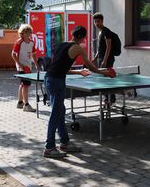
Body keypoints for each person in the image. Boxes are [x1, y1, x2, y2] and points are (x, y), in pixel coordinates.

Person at [44, 26, 110, 158]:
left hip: (50, 79)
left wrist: (78, 71)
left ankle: (65, 143)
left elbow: (59, 68)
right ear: (83, 37)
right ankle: (49, 147)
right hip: (57, 82)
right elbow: (90, 66)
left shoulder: (61, 45)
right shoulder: (78, 48)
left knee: (60, 112)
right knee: (55, 114)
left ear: (73, 34)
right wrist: (104, 72)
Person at [12, 24, 39, 112]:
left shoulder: (32, 42)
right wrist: (20, 64)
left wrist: (36, 64)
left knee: (22, 84)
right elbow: (13, 54)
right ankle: (26, 105)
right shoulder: (19, 42)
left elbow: (34, 54)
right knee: (26, 85)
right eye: (26, 32)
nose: (28, 34)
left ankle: (20, 103)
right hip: (22, 67)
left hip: (28, 66)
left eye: (29, 32)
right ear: (22, 33)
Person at [92, 12, 116, 105]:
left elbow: (108, 47)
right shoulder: (100, 32)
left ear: (102, 21)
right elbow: (100, 48)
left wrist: (105, 60)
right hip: (101, 59)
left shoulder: (107, 32)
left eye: (98, 21)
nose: (96, 23)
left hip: (107, 59)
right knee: (103, 79)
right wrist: (95, 58)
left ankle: (111, 99)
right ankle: (107, 99)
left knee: (108, 79)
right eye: (95, 21)